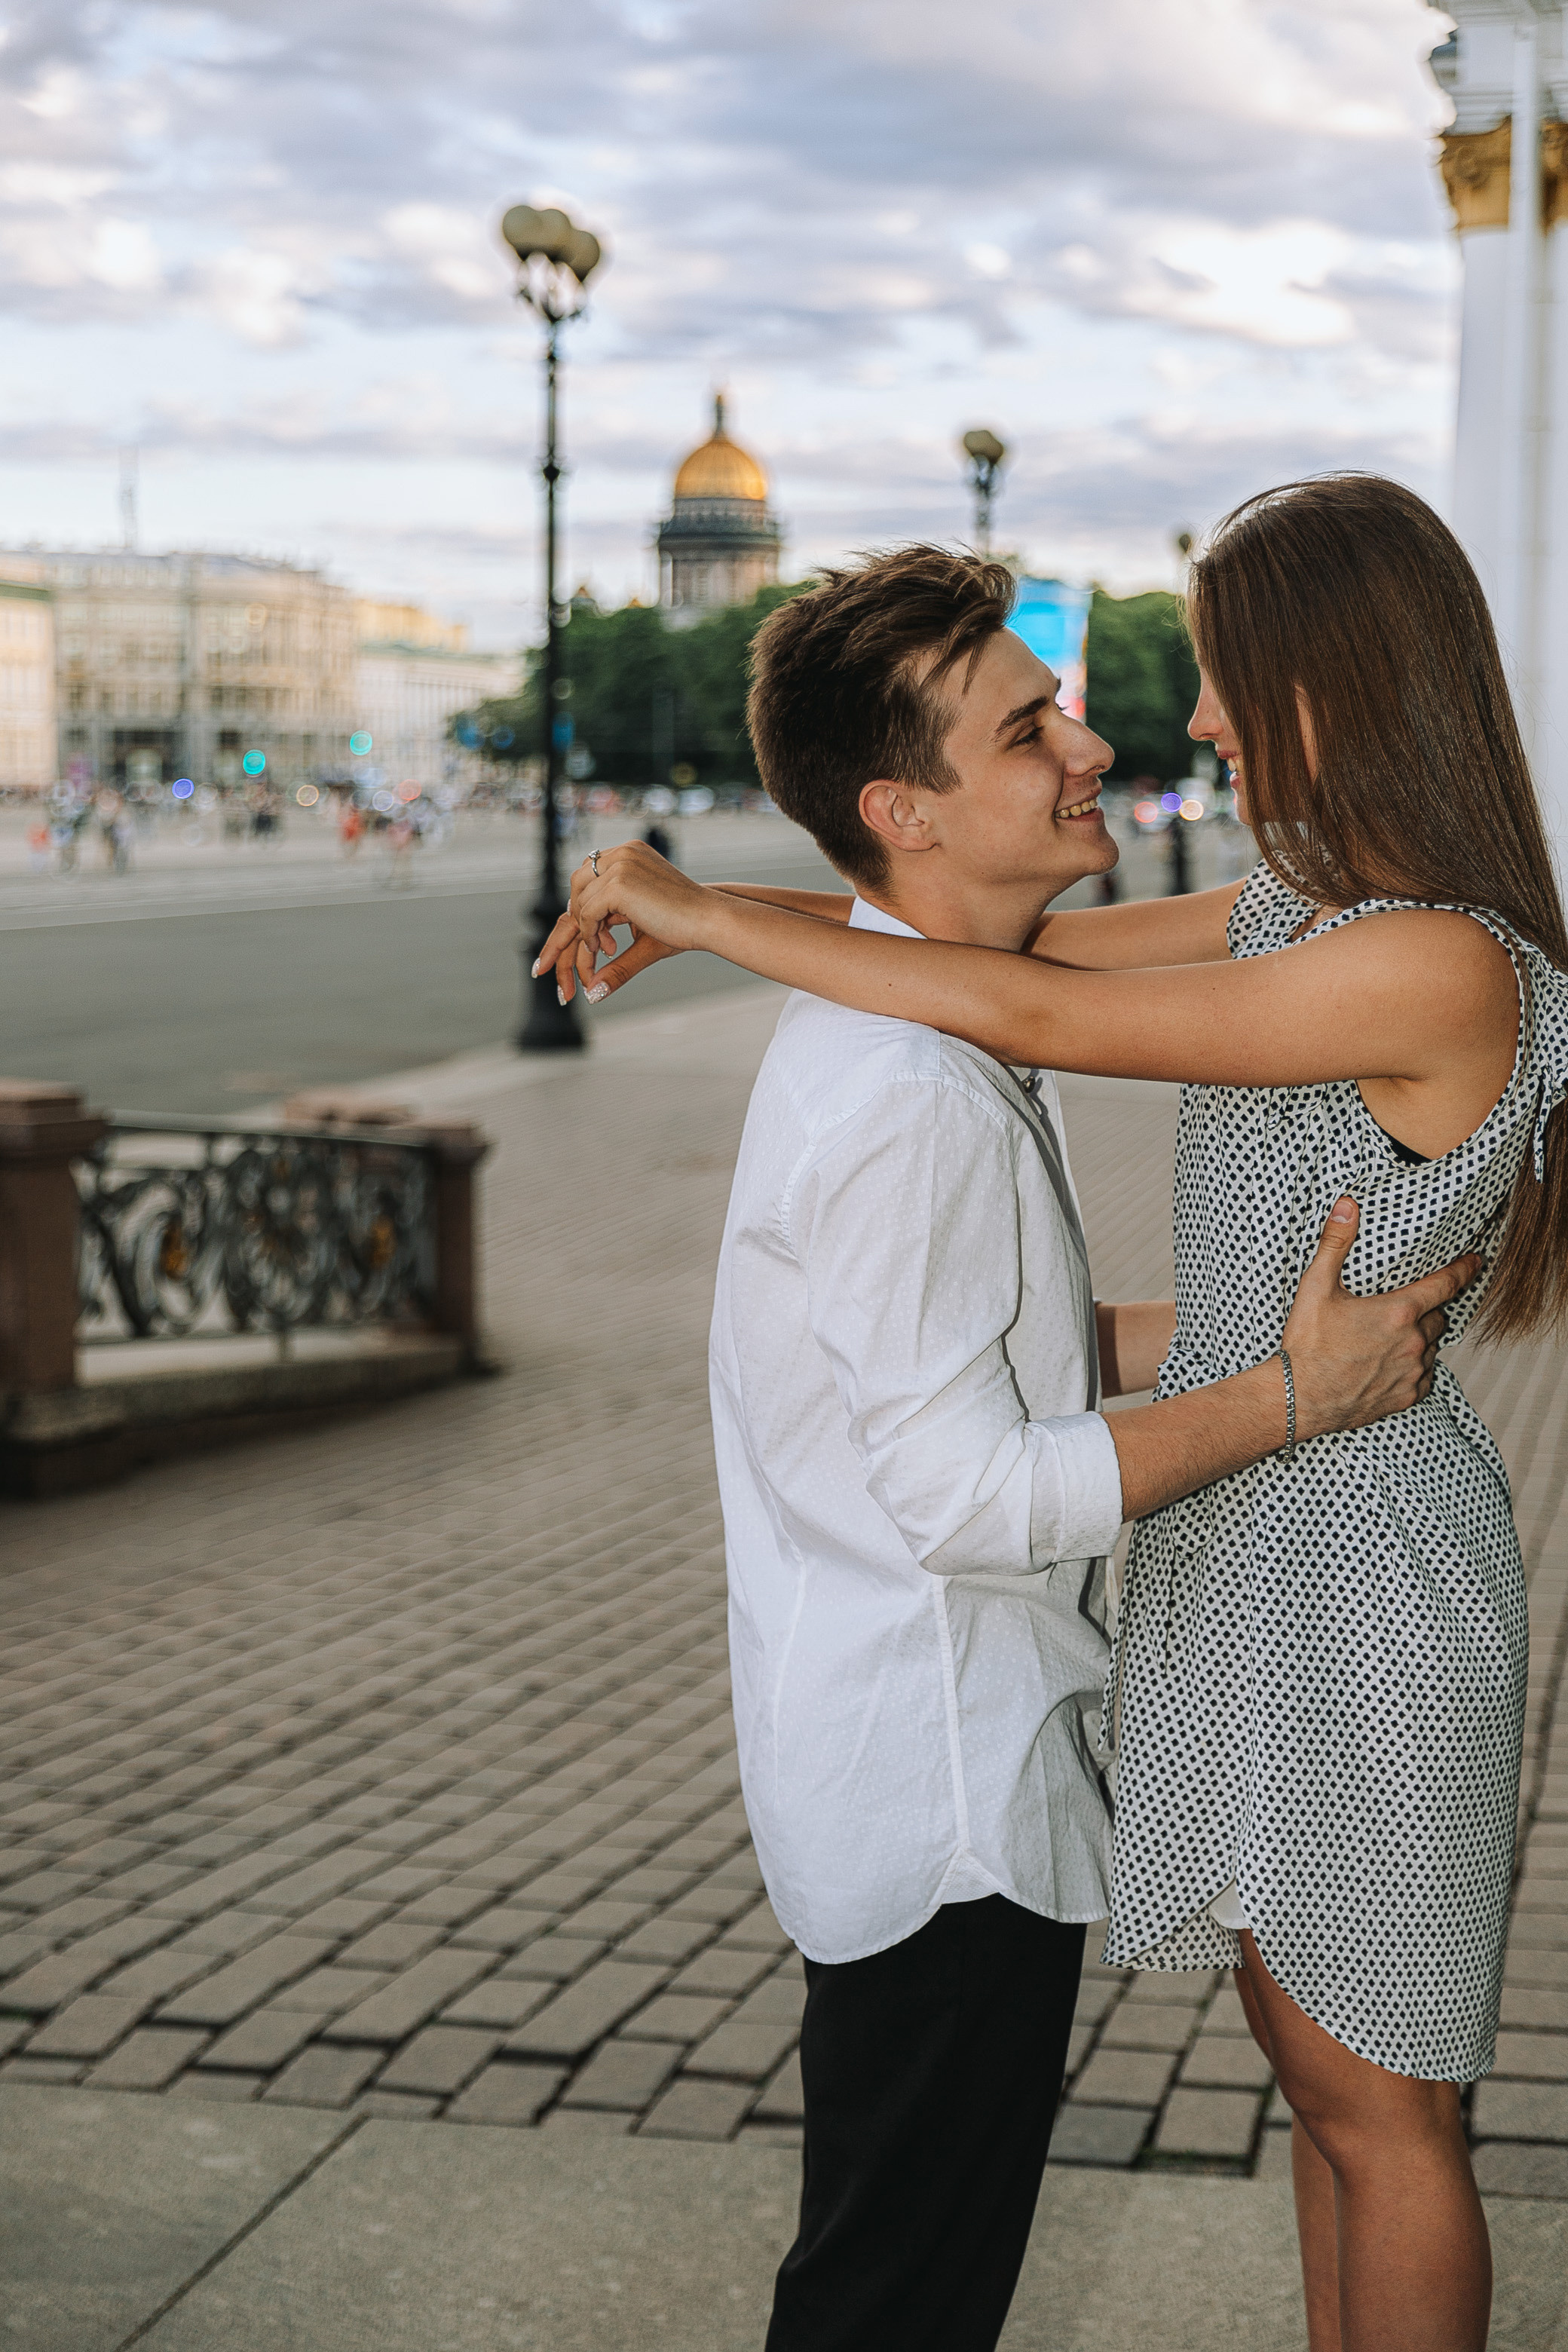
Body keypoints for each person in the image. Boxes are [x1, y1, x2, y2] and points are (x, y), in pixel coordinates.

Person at [538, 528, 1494, 2352]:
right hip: (1147, 1609)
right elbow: (995, 956)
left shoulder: (1417, 957)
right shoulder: (1085, 1010)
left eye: (1217, 674)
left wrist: (711, 913)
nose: (1158, 725)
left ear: (1333, 690)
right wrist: (713, 904)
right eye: (1033, 722)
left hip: (1339, 1565)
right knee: (1294, 2122)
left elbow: (1031, 987)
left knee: (1372, 2113)